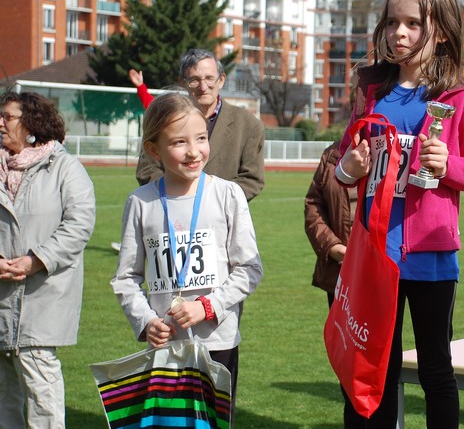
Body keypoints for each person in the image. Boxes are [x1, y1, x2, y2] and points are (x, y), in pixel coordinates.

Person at [336, 0, 464, 428]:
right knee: (374, 368)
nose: (400, 33)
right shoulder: (371, 92)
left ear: (442, 32)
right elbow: (344, 162)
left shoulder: (463, 99)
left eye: (413, 23)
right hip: (375, 255)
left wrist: (449, 165)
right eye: (393, 22)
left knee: (435, 371)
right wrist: (349, 167)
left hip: (431, 256)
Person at [111, 91, 263, 418]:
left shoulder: (228, 195)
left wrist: (207, 306)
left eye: (201, 138)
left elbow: (249, 269)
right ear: (154, 149)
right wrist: (146, 321)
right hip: (166, 346)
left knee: (212, 423)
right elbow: (125, 277)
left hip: (217, 343)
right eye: (179, 142)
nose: (194, 151)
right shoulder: (140, 202)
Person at [0, 90, 96, 428]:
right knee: (2, 392)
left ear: (31, 124)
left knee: (41, 385)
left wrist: (37, 259)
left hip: (44, 295)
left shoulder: (65, 167)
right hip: (1, 297)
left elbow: (79, 224)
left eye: (7, 117)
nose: (0, 124)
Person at [135, 49, 265, 202]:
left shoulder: (249, 124)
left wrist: (209, 203)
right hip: (170, 210)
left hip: (222, 214)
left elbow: (252, 179)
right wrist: (179, 197)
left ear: (221, 80)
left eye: (209, 78)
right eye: (194, 80)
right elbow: (147, 170)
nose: (203, 87)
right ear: (182, 82)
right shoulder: (163, 119)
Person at [304, 141, 356, 307]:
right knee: (340, 324)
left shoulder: (391, 150)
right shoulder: (332, 153)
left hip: (380, 270)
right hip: (340, 268)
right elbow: (314, 205)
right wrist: (332, 247)